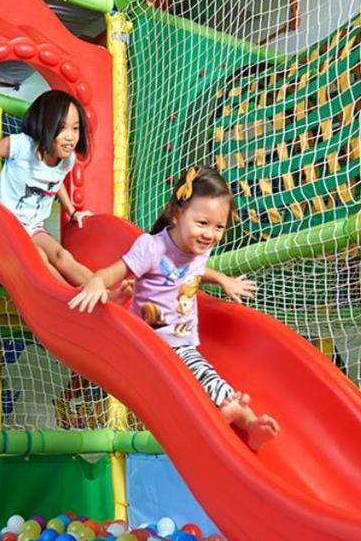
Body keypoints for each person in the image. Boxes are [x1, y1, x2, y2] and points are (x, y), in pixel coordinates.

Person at [68, 166, 280, 450]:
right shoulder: (152, 248)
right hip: (149, 347)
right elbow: (116, 270)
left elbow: (197, 270)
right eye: (202, 223)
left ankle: (251, 425)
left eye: (219, 227)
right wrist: (96, 281)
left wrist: (223, 280)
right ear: (177, 214)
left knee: (209, 379)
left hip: (182, 346)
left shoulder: (198, 249)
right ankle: (215, 424)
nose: (210, 235)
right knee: (194, 387)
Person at [0, 90, 94, 285]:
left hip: (33, 227)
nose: (70, 137)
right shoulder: (22, 145)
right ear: (45, 125)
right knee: (38, 257)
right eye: (62, 128)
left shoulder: (66, 160)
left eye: (75, 128)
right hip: (5, 226)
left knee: (63, 255)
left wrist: (72, 211)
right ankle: (69, 297)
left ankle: (102, 292)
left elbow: (55, 180)